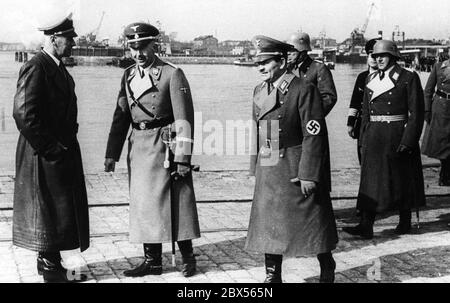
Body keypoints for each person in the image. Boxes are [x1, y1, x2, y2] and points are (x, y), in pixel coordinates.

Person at [104, 22, 200, 278]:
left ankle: (188, 257)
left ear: (153, 45)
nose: (137, 54)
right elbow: (121, 116)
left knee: (177, 201)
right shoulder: (127, 75)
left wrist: (183, 158)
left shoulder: (172, 74)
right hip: (139, 145)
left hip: (165, 146)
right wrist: (111, 153)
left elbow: (184, 120)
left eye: (142, 47)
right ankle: (152, 260)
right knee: (144, 204)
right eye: (133, 48)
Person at [245, 35, 338, 283]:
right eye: (258, 64)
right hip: (271, 161)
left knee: (313, 220)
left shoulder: (303, 89)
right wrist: (255, 165)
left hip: (296, 164)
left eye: (267, 62)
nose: (261, 68)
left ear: (283, 62)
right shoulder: (259, 90)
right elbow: (260, 130)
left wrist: (309, 173)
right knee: (268, 220)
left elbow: (314, 134)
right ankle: (272, 274)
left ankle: (326, 264)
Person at [12, 13, 89, 283]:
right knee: (48, 208)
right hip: (43, 154)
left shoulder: (55, 67)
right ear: (54, 39)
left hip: (56, 152)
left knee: (57, 209)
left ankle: (51, 263)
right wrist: (52, 149)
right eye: (69, 39)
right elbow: (23, 114)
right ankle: (50, 269)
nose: (73, 44)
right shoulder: (37, 67)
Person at [343, 40, 425, 239]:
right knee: (369, 180)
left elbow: (417, 113)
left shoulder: (408, 77)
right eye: (376, 56)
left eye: (384, 56)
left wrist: (409, 140)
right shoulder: (370, 79)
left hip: (396, 134)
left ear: (393, 57)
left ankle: (404, 221)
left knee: (402, 178)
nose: (379, 59)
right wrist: (363, 137)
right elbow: (366, 111)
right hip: (374, 135)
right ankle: (366, 224)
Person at [287, 32, 338, 116]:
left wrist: (311, 117)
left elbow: (329, 98)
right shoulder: (287, 69)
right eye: (288, 50)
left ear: (303, 52)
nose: (288, 53)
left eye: (292, 50)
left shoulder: (319, 69)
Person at [347, 38, 380, 163]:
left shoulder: (388, 77)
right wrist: (350, 123)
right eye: (370, 54)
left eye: (376, 54)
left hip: (380, 124)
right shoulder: (362, 77)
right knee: (363, 158)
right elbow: (355, 101)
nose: (372, 57)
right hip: (363, 124)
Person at [421, 51, 450, 186]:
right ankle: (445, 173)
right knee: (441, 140)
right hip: (440, 107)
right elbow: (428, 90)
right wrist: (427, 110)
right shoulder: (438, 67)